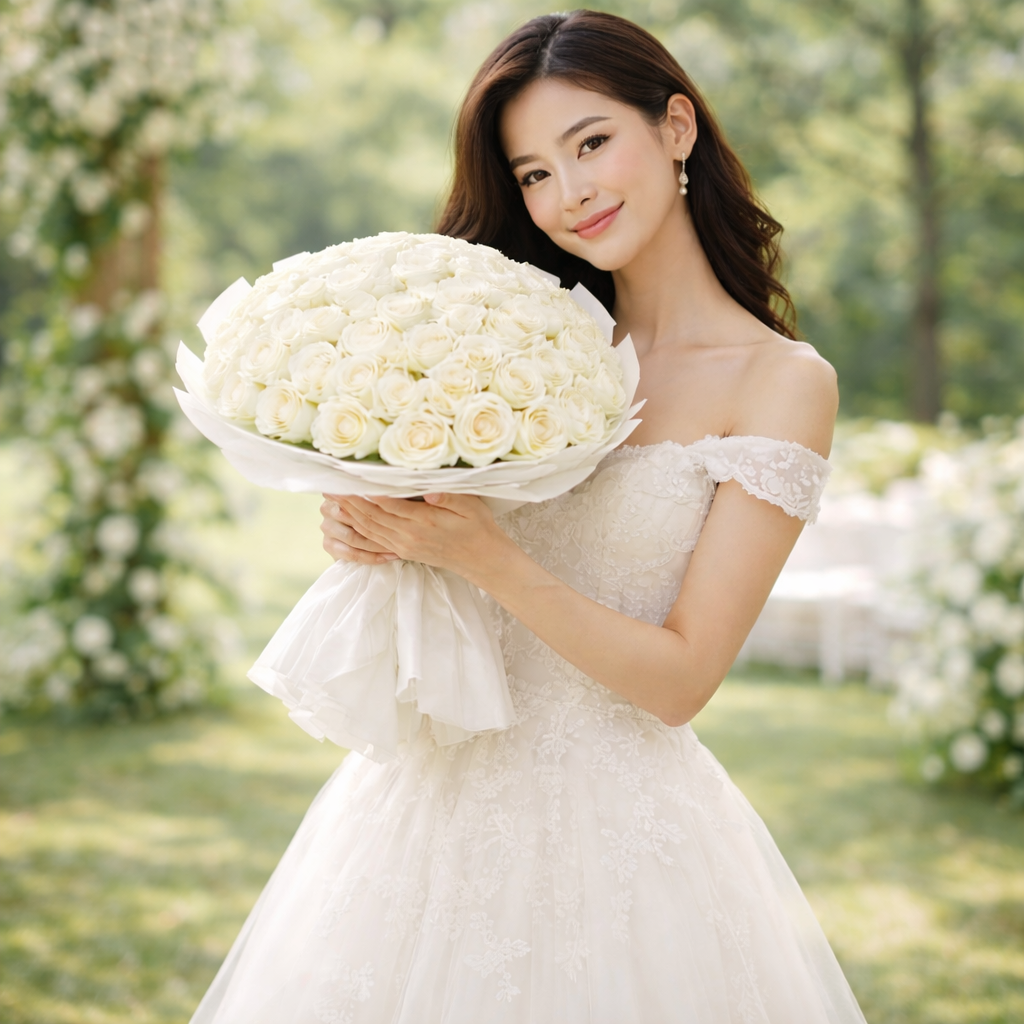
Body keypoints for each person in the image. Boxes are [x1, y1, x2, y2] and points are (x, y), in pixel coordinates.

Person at [190, 10, 867, 1023]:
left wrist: (482, 555)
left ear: (675, 127)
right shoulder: (511, 349)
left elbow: (682, 680)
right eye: (535, 173)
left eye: (591, 143)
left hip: (617, 831)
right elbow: (442, 556)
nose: (570, 192)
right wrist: (380, 535)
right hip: (429, 806)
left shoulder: (780, 383)